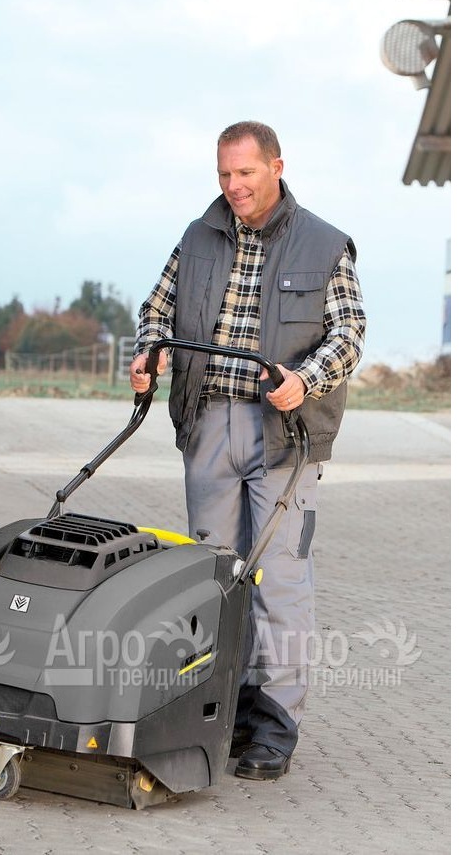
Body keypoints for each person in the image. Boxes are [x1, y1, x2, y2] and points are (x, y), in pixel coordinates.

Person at [129, 121, 366, 781]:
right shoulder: (197, 237)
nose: (233, 186)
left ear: (276, 168)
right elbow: (156, 309)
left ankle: (275, 724)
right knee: (215, 578)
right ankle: (222, 711)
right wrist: (149, 352)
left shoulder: (323, 243)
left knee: (279, 581)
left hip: (283, 436)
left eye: (245, 173)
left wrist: (304, 380)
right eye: (224, 174)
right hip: (208, 425)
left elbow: (348, 333)